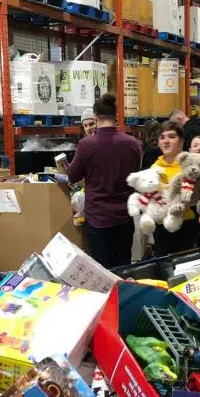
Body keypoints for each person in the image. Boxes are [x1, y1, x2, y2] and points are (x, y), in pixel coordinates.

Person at [68, 94, 140, 269]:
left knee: (103, 270)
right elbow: (136, 177)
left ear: (96, 118)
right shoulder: (133, 144)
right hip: (124, 216)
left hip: (98, 218)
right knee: (124, 265)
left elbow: (73, 176)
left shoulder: (86, 145)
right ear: (116, 117)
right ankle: (124, 294)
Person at [150, 121, 199, 256]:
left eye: (171, 136)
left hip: (186, 224)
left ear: (181, 141)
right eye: (162, 137)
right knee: (164, 265)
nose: (166, 141)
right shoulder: (154, 169)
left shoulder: (191, 166)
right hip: (162, 226)